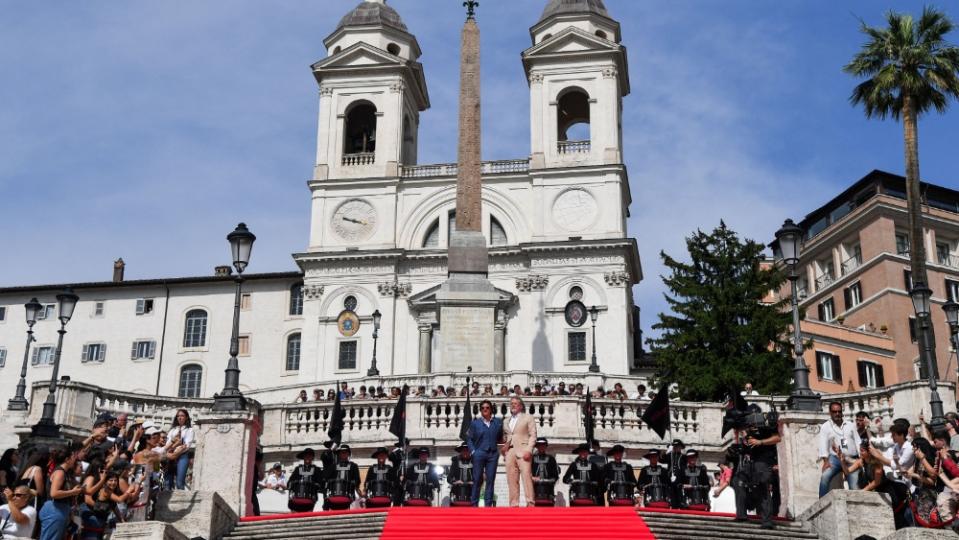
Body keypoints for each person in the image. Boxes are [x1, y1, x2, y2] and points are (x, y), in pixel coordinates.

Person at [733, 405, 781, 530]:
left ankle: (767, 521)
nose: (752, 421)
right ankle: (741, 515)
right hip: (751, 462)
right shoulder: (747, 429)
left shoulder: (767, 426)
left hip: (764, 461)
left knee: (762, 487)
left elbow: (777, 438)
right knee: (738, 481)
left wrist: (761, 442)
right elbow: (746, 445)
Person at [39, 443, 84, 540]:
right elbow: (54, 493)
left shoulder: (66, 473)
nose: (75, 460)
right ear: (67, 459)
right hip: (54, 509)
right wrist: (73, 492)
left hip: (61, 509)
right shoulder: (60, 472)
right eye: (73, 457)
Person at [502, 396, 537, 507]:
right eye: (511, 403)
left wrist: (529, 450)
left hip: (523, 451)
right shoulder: (506, 420)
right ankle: (514, 504)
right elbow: (507, 436)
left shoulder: (528, 417)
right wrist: (505, 448)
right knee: (511, 479)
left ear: (521, 406)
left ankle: (530, 502)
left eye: (515, 403)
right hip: (510, 452)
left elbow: (533, 435)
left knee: (526, 477)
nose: (513, 405)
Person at [466, 399, 502, 507]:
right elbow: (468, 438)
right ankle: (474, 504)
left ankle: (488, 505)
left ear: (491, 409)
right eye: (482, 408)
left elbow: (499, 437)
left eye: (487, 408)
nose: (485, 410)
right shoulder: (475, 423)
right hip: (479, 453)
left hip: (492, 454)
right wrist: (473, 451)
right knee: (477, 479)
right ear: (480, 410)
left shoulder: (497, 422)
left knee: (490, 480)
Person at [819, 401, 859, 496]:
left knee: (854, 486)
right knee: (825, 477)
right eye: (834, 411)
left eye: (839, 411)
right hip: (835, 458)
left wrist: (861, 458)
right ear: (830, 412)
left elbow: (858, 441)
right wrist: (825, 461)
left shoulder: (850, 425)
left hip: (851, 458)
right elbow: (822, 444)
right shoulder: (825, 427)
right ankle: (821, 503)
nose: (837, 413)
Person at [326, 445, 361, 510]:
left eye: (345, 452)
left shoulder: (353, 466)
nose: (344, 454)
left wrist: (351, 484)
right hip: (334, 493)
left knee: (358, 500)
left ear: (348, 454)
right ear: (339, 454)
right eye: (342, 452)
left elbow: (357, 480)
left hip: (350, 493)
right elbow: (327, 479)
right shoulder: (333, 466)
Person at [167, 409, 195, 490]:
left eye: (182, 416)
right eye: (178, 416)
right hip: (171, 456)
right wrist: (176, 446)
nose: (180, 418)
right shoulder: (172, 430)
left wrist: (175, 448)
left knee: (180, 482)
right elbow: (168, 443)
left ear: (186, 417)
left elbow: (187, 445)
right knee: (168, 481)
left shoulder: (190, 430)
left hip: (182, 456)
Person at [288, 448, 323, 513]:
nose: (307, 457)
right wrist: (294, 484)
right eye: (306, 456)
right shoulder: (298, 469)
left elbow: (321, 484)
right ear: (303, 457)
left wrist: (314, 485)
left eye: (309, 456)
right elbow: (289, 483)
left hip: (310, 499)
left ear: (312, 458)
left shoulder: (317, 470)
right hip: (296, 499)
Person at [530, 438, 559, 507]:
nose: (541, 447)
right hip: (535, 489)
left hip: (548, 490)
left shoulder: (551, 459)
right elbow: (527, 472)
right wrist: (532, 477)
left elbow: (555, 475)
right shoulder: (532, 458)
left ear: (546, 446)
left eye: (543, 445)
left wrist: (550, 480)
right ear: (537, 446)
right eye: (539, 445)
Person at [666, 439, 687, 508]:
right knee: (672, 500)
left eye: (678, 446)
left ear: (681, 447)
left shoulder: (683, 457)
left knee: (680, 499)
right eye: (674, 446)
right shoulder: (670, 455)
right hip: (670, 481)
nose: (676, 447)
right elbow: (661, 459)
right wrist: (667, 451)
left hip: (680, 481)